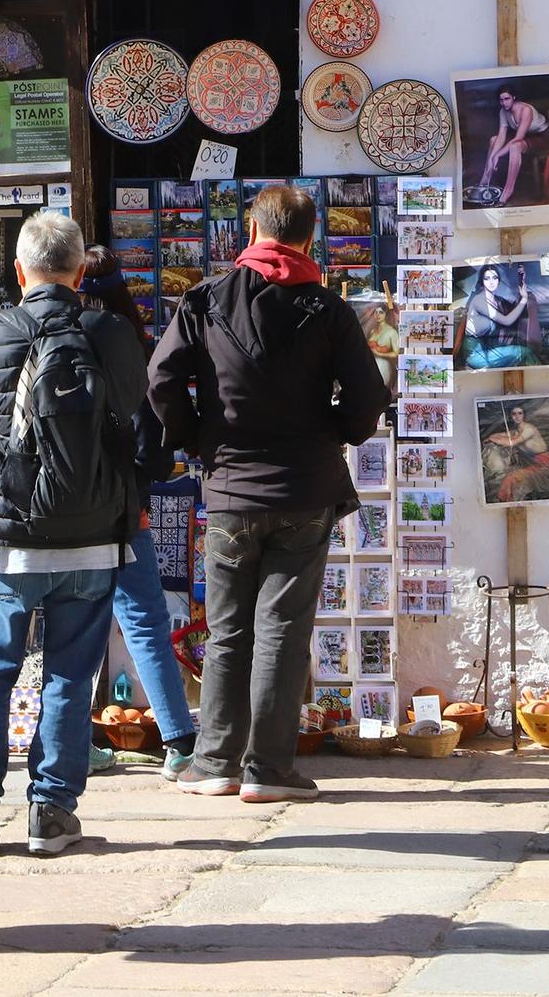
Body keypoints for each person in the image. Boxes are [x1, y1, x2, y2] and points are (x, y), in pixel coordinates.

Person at [148, 185, 388, 804]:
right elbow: (368, 399)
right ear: (310, 238)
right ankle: (269, 770)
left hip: (230, 489)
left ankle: (215, 763)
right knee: (282, 627)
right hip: (305, 491)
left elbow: (162, 379)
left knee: (227, 630)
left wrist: (197, 440)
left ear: (251, 231)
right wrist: (333, 433)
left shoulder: (204, 300)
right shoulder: (328, 310)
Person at [0, 212, 147, 858]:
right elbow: (133, 405)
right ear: (80, 271)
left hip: (8, 534)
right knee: (72, 677)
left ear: (19, 272)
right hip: (93, 534)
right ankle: (50, 813)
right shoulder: (109, 332)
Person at [79, 246, 199, 782]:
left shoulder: (58, 344)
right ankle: (179, 743)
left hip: (70, 515)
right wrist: (141, 493)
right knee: (145, 624)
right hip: (131, 514)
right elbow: (155, 451)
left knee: (73, 630)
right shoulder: (142, 347)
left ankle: (71, 743)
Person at [476, 86, 549, 203]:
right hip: (527, 137)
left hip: (544, 137)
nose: (504, 103)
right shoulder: (503, 111)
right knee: (493, 139)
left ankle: (508, 191)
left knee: (515, 146)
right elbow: (501, 137)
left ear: (514, 98)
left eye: (507, 99)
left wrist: (498, 155)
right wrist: (492, 157)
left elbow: (518, 138)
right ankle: (484, 181)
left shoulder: (525, 110)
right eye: (501, 100)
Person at [462, 262, 535, 370]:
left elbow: (514, 313)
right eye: (487, 278)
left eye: (494, 278)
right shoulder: (479, 301)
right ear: (482, 281)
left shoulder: (497, 301)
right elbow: (507, 320)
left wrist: (522, 280)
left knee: (523, 353)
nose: (491, 282)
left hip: (487, 350)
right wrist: (524, 299)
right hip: (474, 354)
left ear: (499, 280)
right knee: (523, 352)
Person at [481, 401, 549, 504]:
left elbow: (512, 442)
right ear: (511, 416)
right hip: (532, 464)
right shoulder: (516, 431)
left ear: (524, 415)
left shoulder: (529, 429)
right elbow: (503, 434)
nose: (517, 416)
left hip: (545, 465)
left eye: (520, 413)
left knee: (511, 478)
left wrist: (494, 439)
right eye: (514, 414)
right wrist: (491, 437)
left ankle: (503, 502)